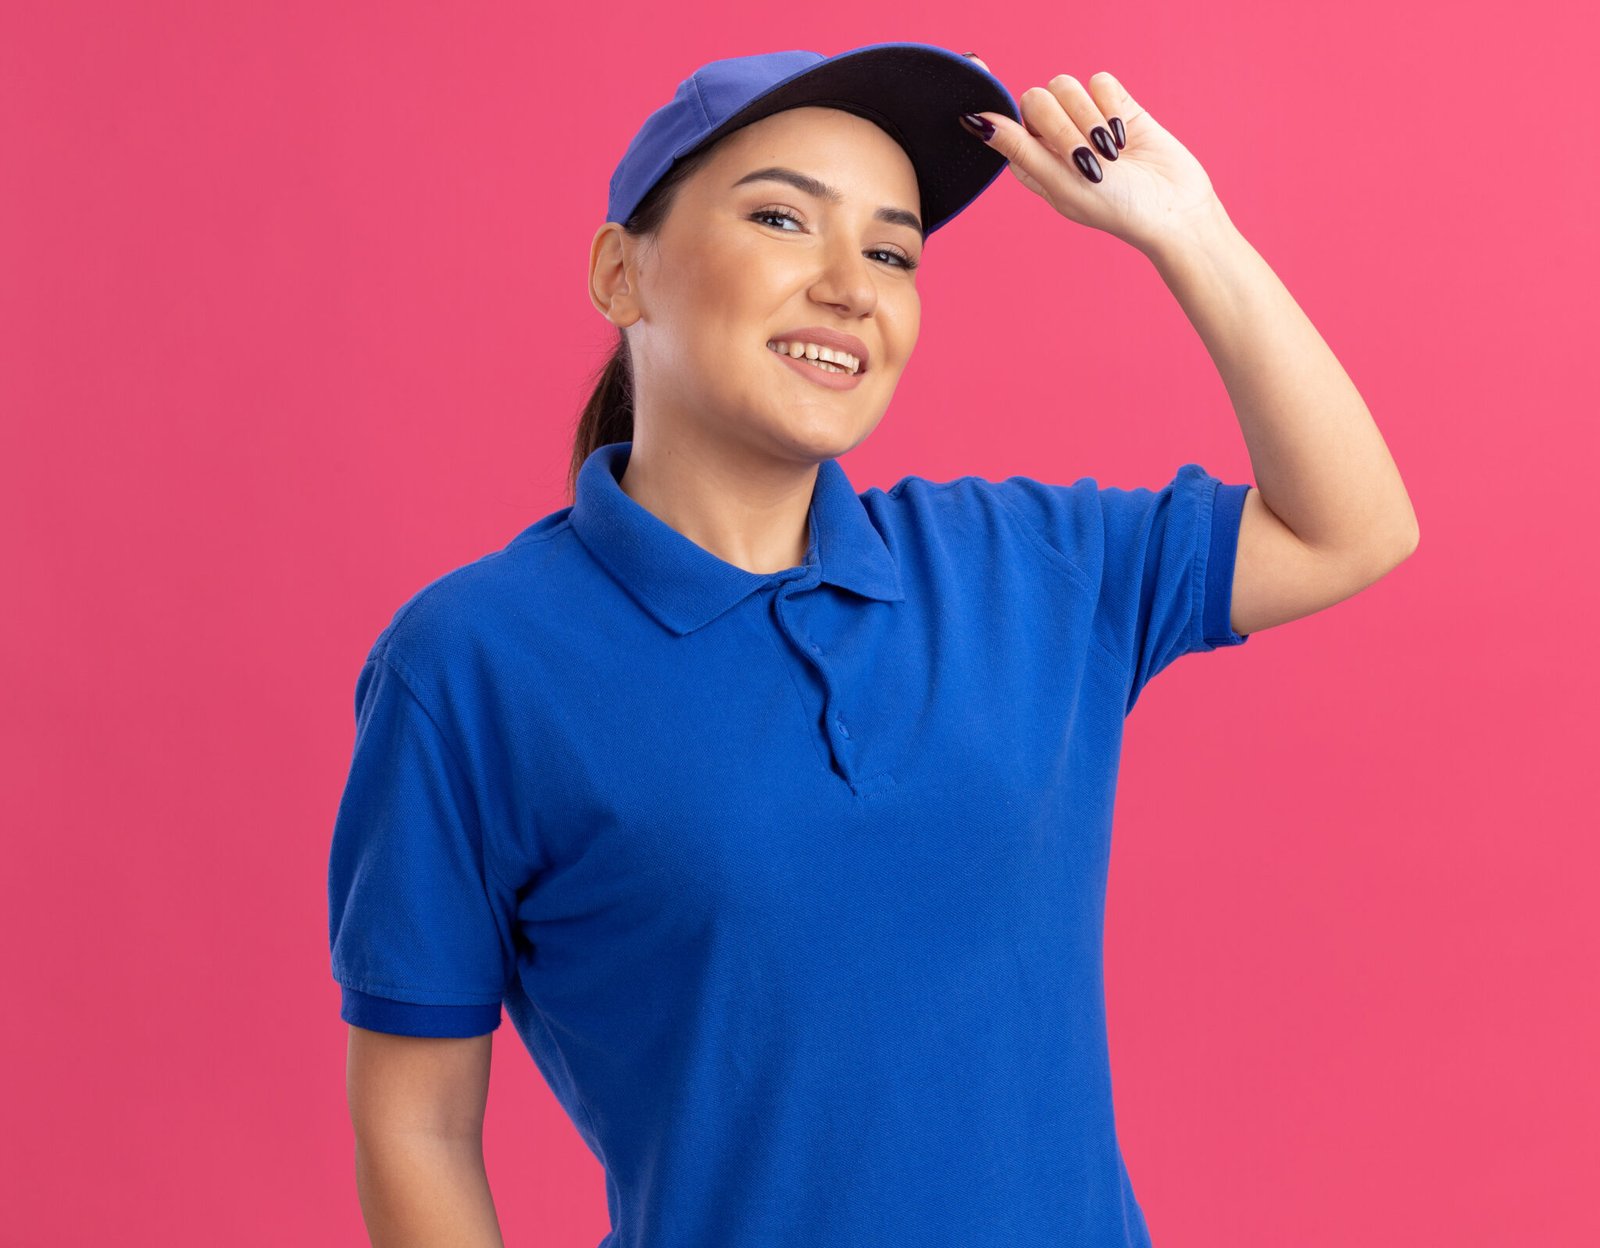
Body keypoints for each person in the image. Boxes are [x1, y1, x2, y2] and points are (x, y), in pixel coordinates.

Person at [328, 42, 1418, 1248]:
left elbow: (1350, 530)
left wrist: (1189, 233)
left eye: (893, 251)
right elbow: (415, 1123)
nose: (851, 284)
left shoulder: (1025, 566)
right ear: (619, 273)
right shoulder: (471, 663)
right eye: (785, 219)